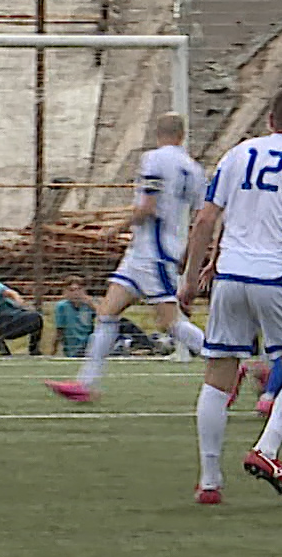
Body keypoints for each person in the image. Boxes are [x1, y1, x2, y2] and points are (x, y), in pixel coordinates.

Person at [178, 86, 282, 504]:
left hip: (229, 276)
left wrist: (192, 276)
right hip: (277, 279)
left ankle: (209, 480)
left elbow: (206, 219)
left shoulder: (237, 154)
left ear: (269, 119)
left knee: (217, 376)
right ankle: (267, 450)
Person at [45, 112, 206, 402]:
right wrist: (187, 253)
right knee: (107, 313)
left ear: (158, 134)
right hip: (148, 252)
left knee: (170, 323)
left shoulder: (154, 160)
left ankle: (228, 362)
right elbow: (199, 216)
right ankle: (85, 384)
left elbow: (148, 207)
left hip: (152, 253)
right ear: (182, 135)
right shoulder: (194, 169)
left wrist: (114, 229)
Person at [52, 277, 96, 358]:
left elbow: (103, 317)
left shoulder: (88, 306)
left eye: (79, 289)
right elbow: (60, 330)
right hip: (73, 348)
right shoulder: (62, 307)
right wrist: (54, 349)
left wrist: (92, 305)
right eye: (71, 290)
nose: (76, 293)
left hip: (89, 343)